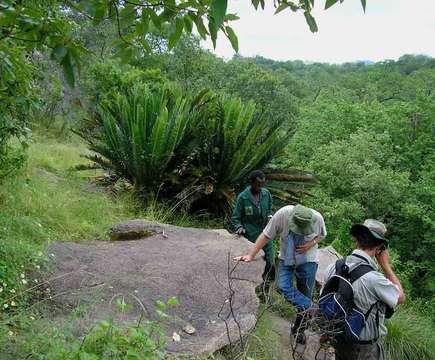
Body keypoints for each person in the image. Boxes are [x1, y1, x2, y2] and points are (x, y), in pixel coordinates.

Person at [234, 204, 326, 342]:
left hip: (308, 260)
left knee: (305, 294)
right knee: (283, 286)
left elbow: (322, 235)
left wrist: (310, 244)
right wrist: (251, 255)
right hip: (286, 256)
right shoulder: (282, 215)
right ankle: (314, 309)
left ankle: (299, 330)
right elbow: (266, 235)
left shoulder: (317, 218)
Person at [322, 219, 405, 360]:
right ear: (379, 248)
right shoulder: (375, 279)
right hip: (364, 349)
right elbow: (400, 297)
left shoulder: (334, 266)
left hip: (339, 338)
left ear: (356, 241)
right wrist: (385, 265)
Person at [232, 170, 275, 285]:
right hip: (251, 236)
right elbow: (236, 217)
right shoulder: (243, 197)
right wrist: (239, 227)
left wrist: (270, 217)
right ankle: (255, 285)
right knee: (253, 263)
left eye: (262, 184)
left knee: (270, 262)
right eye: (258, 184)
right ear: (251, 182)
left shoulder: (266, 194)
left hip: (266, 234)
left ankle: (268, 286)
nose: (260, 187)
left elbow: (270, 209)